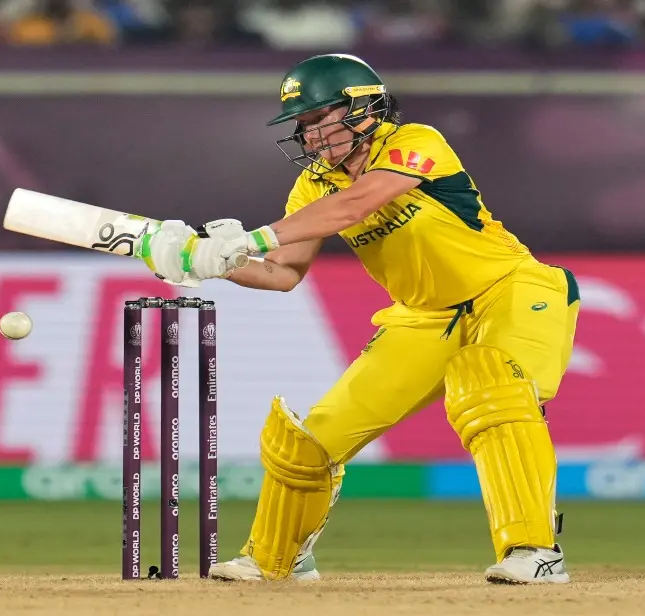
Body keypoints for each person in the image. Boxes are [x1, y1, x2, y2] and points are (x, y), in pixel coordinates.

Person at [140, 53, 580, 585]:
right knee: (309, 442)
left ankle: (535, 551)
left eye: (317, 118)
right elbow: (283, 272)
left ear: (362, 108)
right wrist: (212, 263)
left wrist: (251, 239)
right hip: (423, 318)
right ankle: (276, 560)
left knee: (492, 387)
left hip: (512, 289)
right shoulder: (313, 185)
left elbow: (357, 205)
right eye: (302, 124)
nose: (309, 135)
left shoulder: (416, 141)